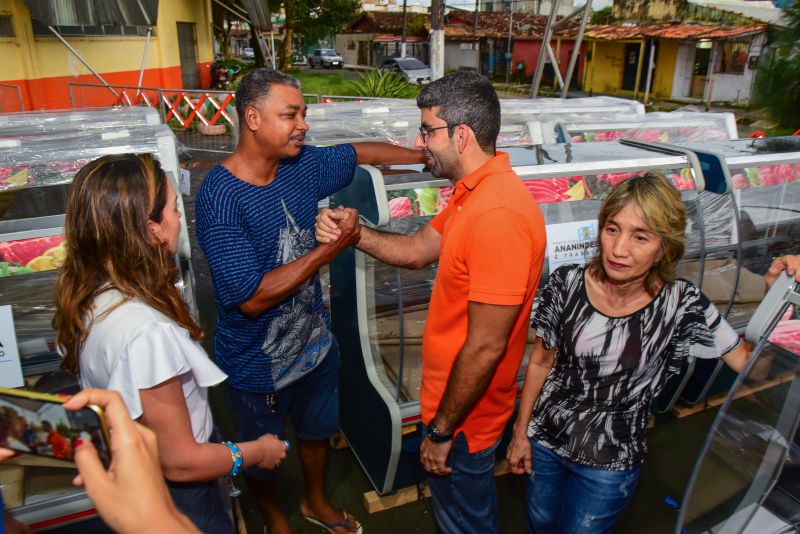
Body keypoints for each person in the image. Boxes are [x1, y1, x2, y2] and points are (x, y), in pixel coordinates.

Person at [195, 68, 426, 534]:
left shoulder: (300, 165)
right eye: (290, 114)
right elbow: (251, 299)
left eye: (303, 113)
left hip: (316, 347)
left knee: (318, 432)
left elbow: (360, 153)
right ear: (253, 117)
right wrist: (330, 248)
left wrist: (426, 159)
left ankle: (316, 503)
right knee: (263, 454)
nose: (303, 125)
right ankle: (275, 518)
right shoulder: (220, 199)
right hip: (258, 367)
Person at [316, 71, 547, 534]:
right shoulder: (472, 196)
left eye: (428, 131)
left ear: (461, 136)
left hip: (463, 424)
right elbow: (417, 250)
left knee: (466, 522)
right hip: (451, 411)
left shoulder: (498, 216)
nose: (420, 143)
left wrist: (441, 432)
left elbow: (485, 348)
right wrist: (354, 234)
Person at [505, 171, 800, 534]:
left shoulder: (681, 304)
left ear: (664, 246)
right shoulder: (566, 283)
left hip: (609, 463)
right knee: (540, 525)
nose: (618, 248)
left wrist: (776, 298)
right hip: (546, 443)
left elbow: (751, 368)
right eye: (612, 229)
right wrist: (520, 435)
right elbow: (540, 361)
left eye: (640, 236)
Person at [53, 153, 287, 533]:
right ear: (152, 230)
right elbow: (180, 460)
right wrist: (257, 451)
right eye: (175, 210)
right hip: (181, 496)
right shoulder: (148, 333)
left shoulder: (85, 296)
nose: (181, 219)